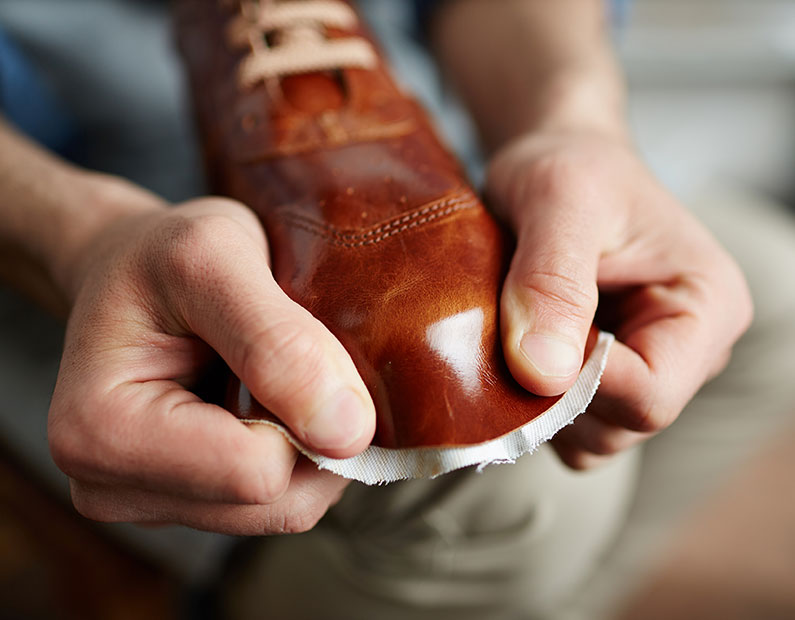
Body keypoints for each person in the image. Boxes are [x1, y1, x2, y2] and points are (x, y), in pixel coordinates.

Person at [2, 0, 781, 618]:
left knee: (768, 285)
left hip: (411, 140)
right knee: (507, 494)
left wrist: (569, 124)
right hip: (54, 188)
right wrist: (76, 235)